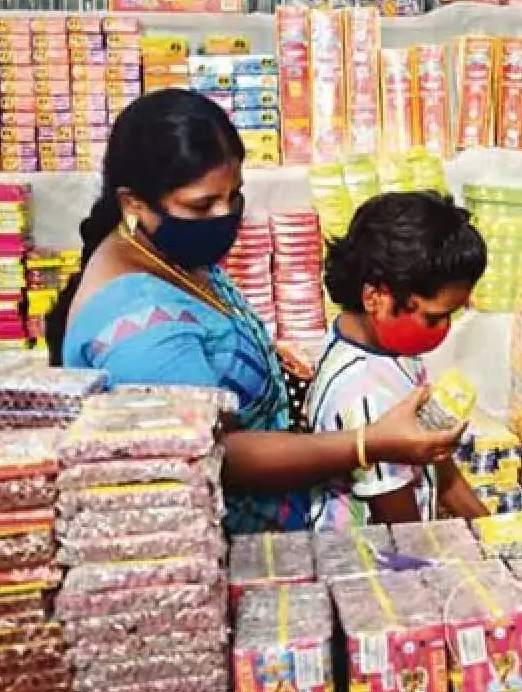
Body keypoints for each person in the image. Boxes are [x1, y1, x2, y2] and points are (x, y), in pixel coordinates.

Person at [49, 89, 463, 534]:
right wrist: (368, 444)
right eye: (202, 205)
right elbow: (210, 453)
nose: (225, 215)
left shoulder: (173, 254)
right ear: (133, 203)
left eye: (234, 196)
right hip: (209, 543)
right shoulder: (139, 328)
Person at [306, 191, 490, 528]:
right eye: (434, 317)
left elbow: (440, 467)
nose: (444, 329)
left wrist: (491, 530)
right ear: (375, 297)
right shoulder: (363, 393)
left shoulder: (381, 345)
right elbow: (401, 526)